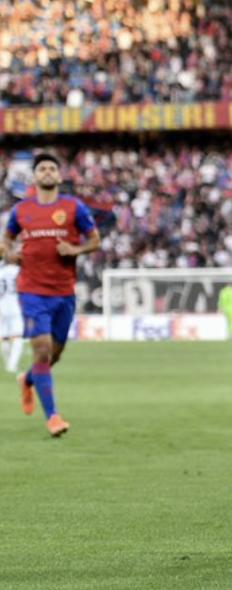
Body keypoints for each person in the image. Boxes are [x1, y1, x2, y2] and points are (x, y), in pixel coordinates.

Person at [1, 153, 101, 437]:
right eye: (42, 168)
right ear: (34, 176)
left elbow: (95, 240)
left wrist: (75, 250)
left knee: (54, 355)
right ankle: (53, 417)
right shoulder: (21, 210)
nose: (47, 172)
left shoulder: (73, 207)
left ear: (59, 175)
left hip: (63, 293)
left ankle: (27, 379)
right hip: (31, 290)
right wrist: (9, 252)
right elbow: (6, 239)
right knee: (42, 351)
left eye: (52, 168)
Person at [0, 260, 25, 373]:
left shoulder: (1, 272)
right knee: (18, 336)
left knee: (4, 336)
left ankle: (8, 364)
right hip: (17, 307)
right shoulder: (21, 272)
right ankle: (12, 365)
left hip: (2, 307)